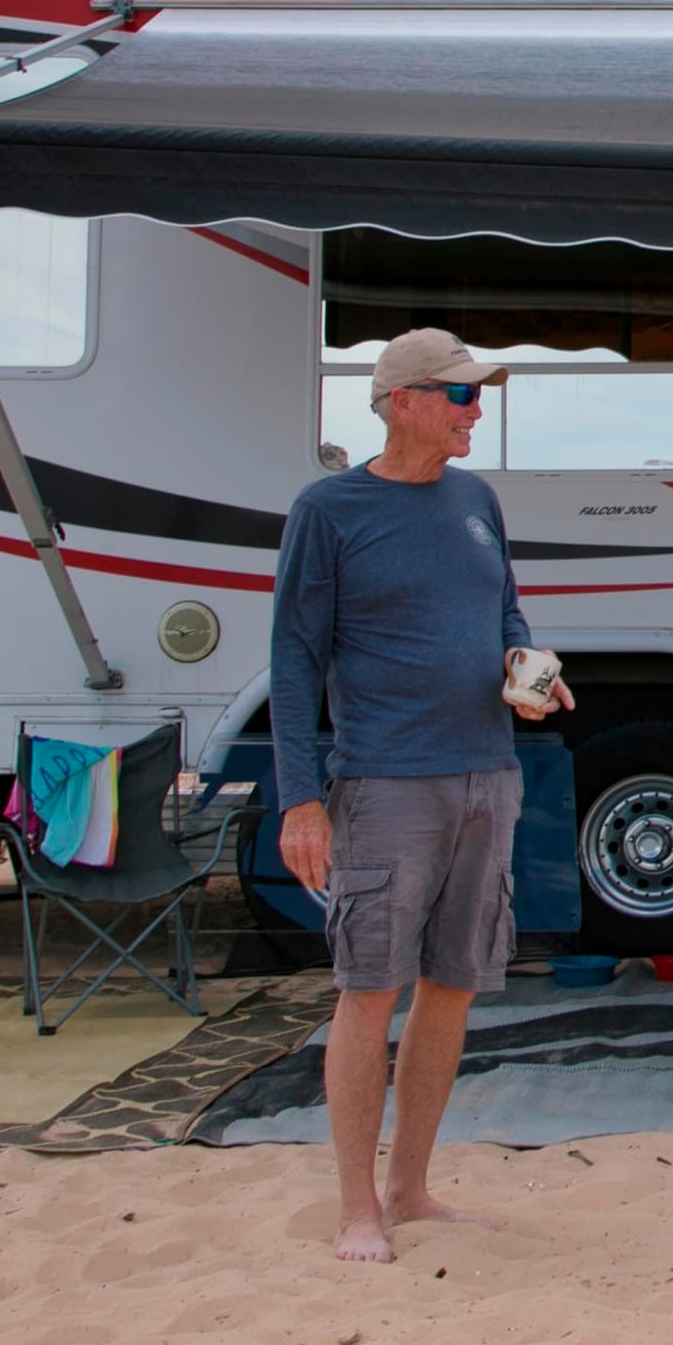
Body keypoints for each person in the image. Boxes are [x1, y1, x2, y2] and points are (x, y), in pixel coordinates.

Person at [271, 327, 572, 1264]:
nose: (476, 410)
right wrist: (299, 800)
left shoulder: (477, 499)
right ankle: (358, 1206)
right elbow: (293, 660)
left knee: (453, 989)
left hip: (489, 775)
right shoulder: (329, 509)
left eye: (477, 396)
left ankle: (411, 1189)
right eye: (460, 396)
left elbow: (505, 607)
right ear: (403, 400)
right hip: (385, 783)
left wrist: (529, 666)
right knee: (370, 990)